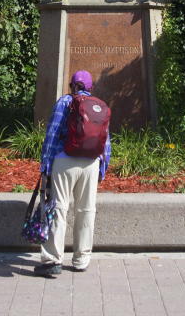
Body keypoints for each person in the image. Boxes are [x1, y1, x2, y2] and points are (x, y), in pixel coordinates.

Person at [35, 70, 111, 278]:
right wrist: (102, 169)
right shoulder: (99, 106)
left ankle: (52, 260)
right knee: (86, 210)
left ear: (72, 85)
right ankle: (81, 259)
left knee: (58, 207)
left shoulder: (64, 103)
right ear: (90, 87)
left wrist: (45, 166)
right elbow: (106, 141)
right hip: (91, 163)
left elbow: (52, 134)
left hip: (64, 160)